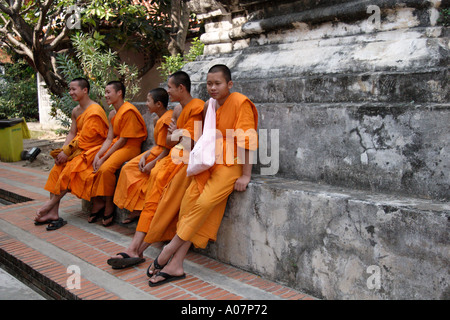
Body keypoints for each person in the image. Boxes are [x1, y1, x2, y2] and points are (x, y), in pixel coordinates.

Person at [147, 64, 258, 287]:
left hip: (231, 164)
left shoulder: (240, 103)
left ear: (229, 84)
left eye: (217, 83)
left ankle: (169, 250)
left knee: (205, 202)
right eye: (209, 84)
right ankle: (177, 264)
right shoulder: (210, 105)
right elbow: (203, 136)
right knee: (189, 203)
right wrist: (178, 134)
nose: (213, 88)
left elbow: (247, 141)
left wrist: (245, 176)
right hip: (209, 161)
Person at [107, 71, 204, 269]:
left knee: (164, 205)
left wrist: (177, 134)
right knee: (152, 202)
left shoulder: (198, 108)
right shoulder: (177, 110)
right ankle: (134, 248)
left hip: (187, 164)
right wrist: (177, 134)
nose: (167, 91)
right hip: (170, 161)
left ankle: (138, 249)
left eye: (170, 87)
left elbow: (192, 143)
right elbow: (169, 141)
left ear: (181, 88)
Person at [34, 78, 109, 230]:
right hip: (76, 148)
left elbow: (88, 138)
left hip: (92, 149)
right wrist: (63, 151)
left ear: (85, 90)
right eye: (70, 89)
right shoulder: (76, 110)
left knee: (70, 170)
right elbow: (72, 133)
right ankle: (53, 213)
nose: (71, 92)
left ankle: (49, 205)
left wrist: (68, 152)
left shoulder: (95, 110)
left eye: (74, 89)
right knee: (57, 170)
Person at [88, 81, 147, 227]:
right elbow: (110, 138)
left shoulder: (128, 111)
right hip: (118, 145)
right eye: (105, 92)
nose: (105, 95)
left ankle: (109, 205)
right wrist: (99, 155)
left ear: (119, 93)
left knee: (105, 169)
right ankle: (99, 202)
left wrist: (105, 158)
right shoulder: (113, 113)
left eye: (109, 92)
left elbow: (123, 139)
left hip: (130, 147)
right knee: (93, 162)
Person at [113, 88, 176, 224]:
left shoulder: (168, 119)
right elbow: (156, 144)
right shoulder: (156, 120)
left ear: (158, 104)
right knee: (128, 168)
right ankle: (135, 207)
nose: (147, 104)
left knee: (145, 175)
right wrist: (144, 156)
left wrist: (152, 164)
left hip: (164, 155)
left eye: (149, 101)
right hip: (154, 152)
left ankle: (140, 209)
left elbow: (167, 148)